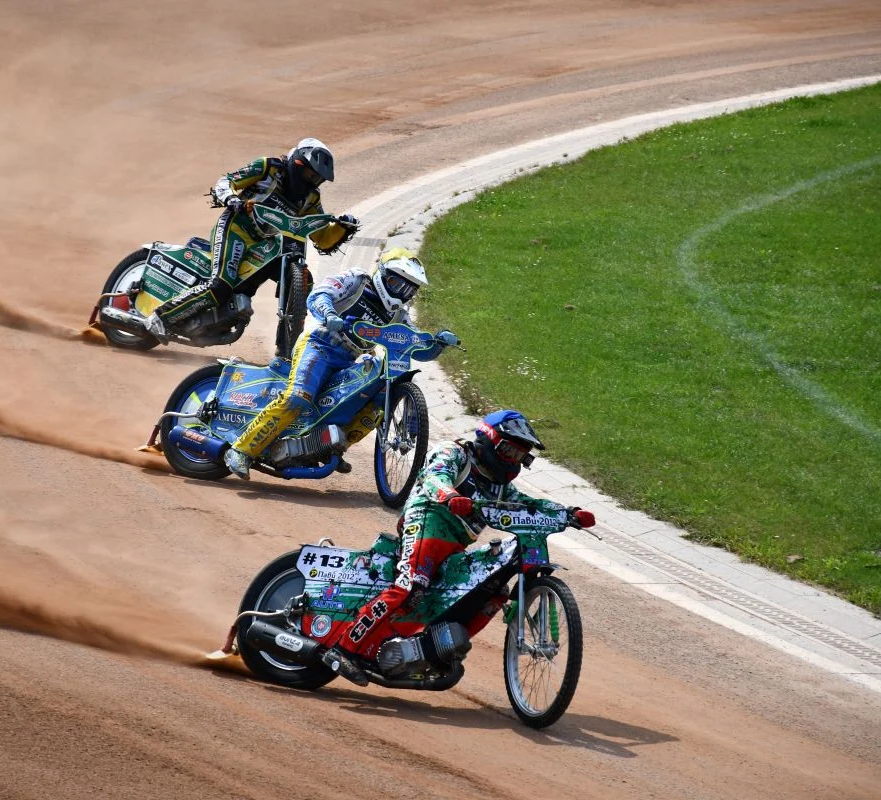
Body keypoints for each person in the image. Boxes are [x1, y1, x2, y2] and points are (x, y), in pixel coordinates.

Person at [321, 409, 586, 687]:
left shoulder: (500, 487)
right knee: (411, 585)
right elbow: (435, 477)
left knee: (492, 591)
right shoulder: (455, 452)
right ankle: (344, 648)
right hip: (426, 523)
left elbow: (526, 504)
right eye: (509, 451)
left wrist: (568, 513)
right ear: (489, 440)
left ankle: (436, 652)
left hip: (455, 544)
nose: (513, 460)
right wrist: (449, 495)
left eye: (521, 456)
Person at [222, 247, 439, 479]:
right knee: (298, 397)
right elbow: (319, 295)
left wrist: (437, 344)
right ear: (383, 274)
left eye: (409, 289)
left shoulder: (399, 316)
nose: (402, 293)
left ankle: (330, 446)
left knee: (376, 404)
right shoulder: (357, 280)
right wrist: (329, 314)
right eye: (397, 284)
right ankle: (241, 450)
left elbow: (418, 348)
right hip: (318, 346)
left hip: (349, 361)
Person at [145, 138, 358, 341]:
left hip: (266, 245)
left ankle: (286, 343)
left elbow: (322, 237)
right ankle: (161, 317)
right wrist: (231, 199)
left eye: (317, 179)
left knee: (305, 279)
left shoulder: (311, 198)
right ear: (297, 164)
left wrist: (342, 228)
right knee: (220, 286)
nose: (312, 182)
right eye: (310, 175)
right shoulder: (268, 168)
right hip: (236, 229)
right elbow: (227, 181)